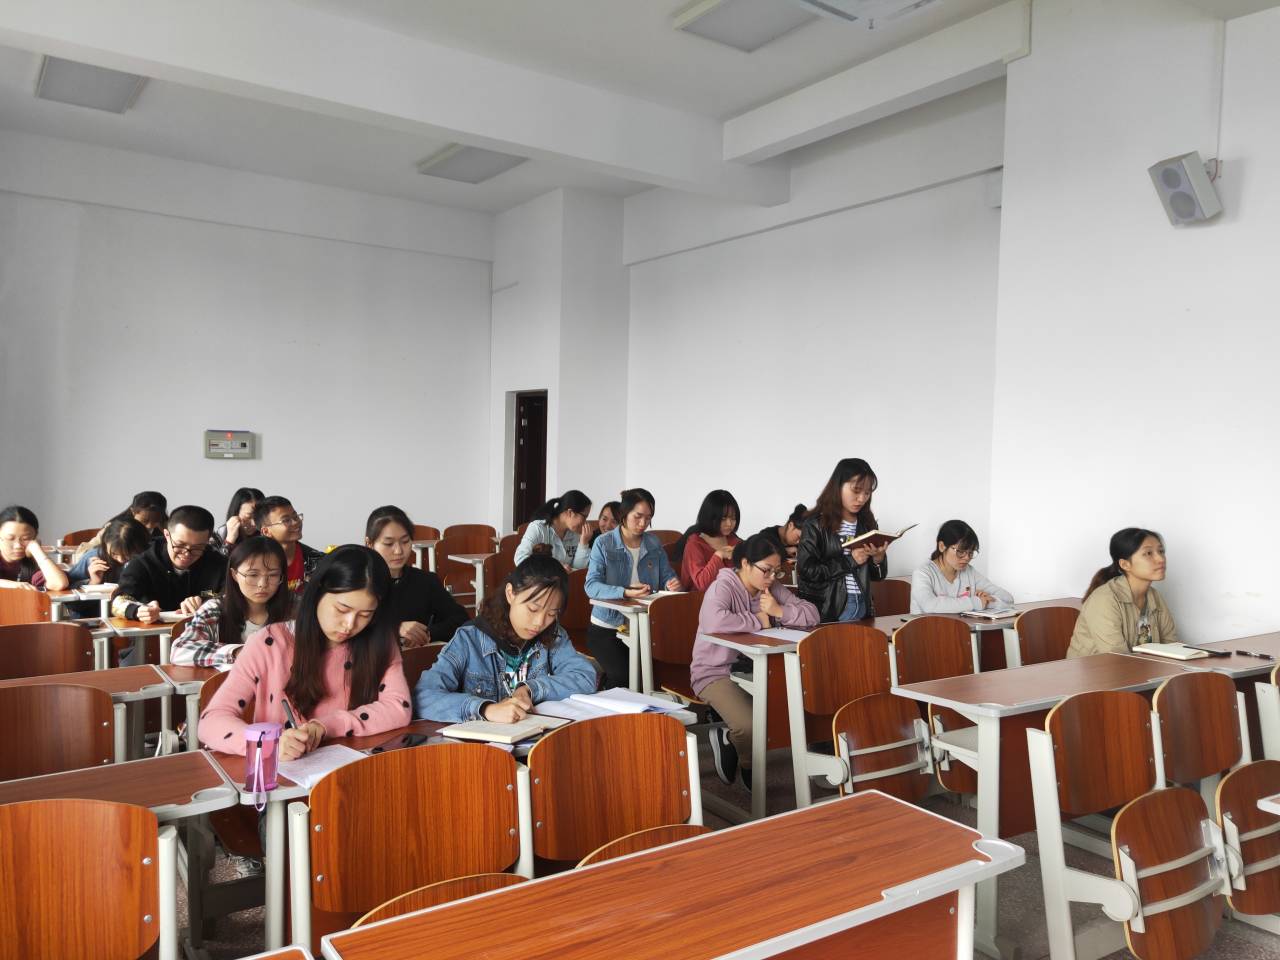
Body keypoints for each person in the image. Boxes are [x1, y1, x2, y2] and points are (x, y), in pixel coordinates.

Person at [200, 545, 411, 760]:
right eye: (341, 609)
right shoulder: (268, 643)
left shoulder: (379, 643)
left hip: (352, 768)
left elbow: (398, 707)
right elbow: (211, 721)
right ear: (317, 593)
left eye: (365, 614)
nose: (349, 624)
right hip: (283, 772)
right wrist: (268, 743)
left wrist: (327, 726)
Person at [692, 535, 818, 787]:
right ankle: (748, 764)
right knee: (750, 726)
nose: (771, 577)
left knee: (789, 712)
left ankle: (729, 740)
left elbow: (812, 614)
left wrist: (779, 611)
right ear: (745, 563)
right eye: (766, 570)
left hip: (759, 669)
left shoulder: (771, 589)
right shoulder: (723, 586)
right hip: (715, 672)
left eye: (776, 571)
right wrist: (758, 620)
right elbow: (712, 621)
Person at [415, 555, 597, 722]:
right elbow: (424, 696)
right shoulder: (469, 639)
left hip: (534, 739)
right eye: (533, 609)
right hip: (481, 744)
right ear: (511, 593)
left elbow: (585, 676)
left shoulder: (553, 634)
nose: (540, 622)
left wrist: (530, 689)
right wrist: (485, 709)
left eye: (551, 613)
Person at [585, 488, 683, 689]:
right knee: (624, 676)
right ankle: (605, 695)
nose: (643, 523)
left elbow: (667, 575)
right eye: (638, 516)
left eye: (648, 518)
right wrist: (624, 592)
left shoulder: (653, 543)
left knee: (655, 675)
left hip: (645, 625)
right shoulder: (604, 543)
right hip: (607, 626)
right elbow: (591, 586)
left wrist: (673, 584)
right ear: (624, 514)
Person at [171, 536, 295, 667]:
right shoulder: (215, 609)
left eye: (273, 575)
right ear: (235, 575)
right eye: (253, 575)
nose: (262, 584)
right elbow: (180, 650)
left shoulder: (295, 609)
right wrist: (237, 652)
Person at [797, 458, 887, 622]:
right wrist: (850, 561)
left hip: (863, 605)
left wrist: (878, 559)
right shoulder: (816, 524)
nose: (862, 498)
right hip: (830, 607)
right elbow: (807, 570)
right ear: (838, 486)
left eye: (867, 493)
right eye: (856, 490)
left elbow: (877, 577)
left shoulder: (867, 524)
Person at [364, 505, 468, 648]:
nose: (398, 551)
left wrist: (427, 634)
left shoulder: (425, 581)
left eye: (405, 541)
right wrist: (395, 628)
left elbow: (461, 620)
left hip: (417, 659)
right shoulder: (358, 583)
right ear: (369, 544)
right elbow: (348, 627)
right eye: (389, 543)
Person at [1067, 528, 1176, 658]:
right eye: (1148, 553)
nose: (1160, 559)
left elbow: (1172, 647)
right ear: (1125, 564)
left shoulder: (1154, 596)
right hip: (1100, 670)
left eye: (1161, 551)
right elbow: (1117, 658)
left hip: (1142, 669)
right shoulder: (1104, 600)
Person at [111, 505, 227, 621]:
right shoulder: (143, 562)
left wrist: (206, 600)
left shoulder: (218, 563)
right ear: (167, 535)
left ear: (207, 542)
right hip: (153, 629)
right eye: (180, 545)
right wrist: (137, 611)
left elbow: (226, 594)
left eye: (197, 548)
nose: (186, 554)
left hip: (202, 628)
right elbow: (118, 601)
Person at [910, 520, 1013, 614]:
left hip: (961, 627)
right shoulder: (922, 573)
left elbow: (1008, 598)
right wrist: (976, 603)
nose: (967, 558)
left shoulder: (969, 572)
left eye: (971, 552)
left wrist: (986, 601)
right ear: (942, 546)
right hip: (927, 628)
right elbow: (929, 605)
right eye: (961, 551)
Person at [71, 491, 168, 563]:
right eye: (144, 521)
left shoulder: (166, 528)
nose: (149, 526)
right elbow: (81, 553)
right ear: (133, 512)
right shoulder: (116, 529)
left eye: (156, 521)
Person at [255, 496, 323, 596]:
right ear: (266, 531)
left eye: (295, 516)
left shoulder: (318, 560)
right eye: (286, 520)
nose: (296, 522)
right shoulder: (253, 563)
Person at [677, 489, 742, 592]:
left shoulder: (735, 542)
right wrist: (719, 555)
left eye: (733, 518)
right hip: (697, 599)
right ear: (710, 517)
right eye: (723, 519)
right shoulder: (694, 544)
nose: (729, 524)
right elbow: (702, 584)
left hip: (732, 598)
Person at [513, 490, 594, 570]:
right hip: (540, 578)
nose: (585, 522)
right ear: (570, 512)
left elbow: (578, 569)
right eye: (584, 517)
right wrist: (554, 567)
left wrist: (583, 544)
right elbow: (520, 559)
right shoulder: (538, 528)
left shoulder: (575, 533)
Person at [67, 516, 150, 588]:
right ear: (105, 544)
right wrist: (93, 582)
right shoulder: (94, 557)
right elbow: (68, 588)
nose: (121, 560)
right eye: (114, 554)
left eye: (127, 555)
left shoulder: (149, 557)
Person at [0, 506, 70, 591]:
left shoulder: (32, 564)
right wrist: (12, 585)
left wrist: (37, 550)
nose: (18, 545)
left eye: (25, 539)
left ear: (35, 537)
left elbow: (59, 584)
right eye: (10, 538)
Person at [212, 487, 264, 554]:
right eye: (248, 517)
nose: (254, 523)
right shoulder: (219, 536)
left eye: (258, 516)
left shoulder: (266, 534)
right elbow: (216, 560)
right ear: (236, 513)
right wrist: (229, 541)